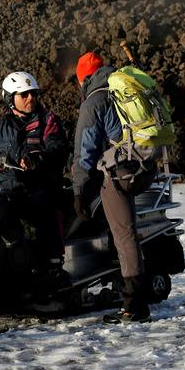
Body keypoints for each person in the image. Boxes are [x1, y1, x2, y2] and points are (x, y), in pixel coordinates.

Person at [73, 50, 152, 323]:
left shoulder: (94, 101)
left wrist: (79, 190)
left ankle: (134, 306)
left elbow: (85, 151)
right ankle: (129, 291)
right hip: (144, 166)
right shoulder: (124, 90)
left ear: (84, 79)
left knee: (124, 235)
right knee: (125, 231)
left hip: (119, 173)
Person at [0, 71, 68, 284]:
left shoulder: (47, 120)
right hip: (8, 191)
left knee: (40, 207)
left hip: (38, 187)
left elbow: (57, 147)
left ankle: (52, 267)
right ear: (10, 99)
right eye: (24, 95)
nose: (31, 99)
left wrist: (37, 158)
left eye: (33, 94)